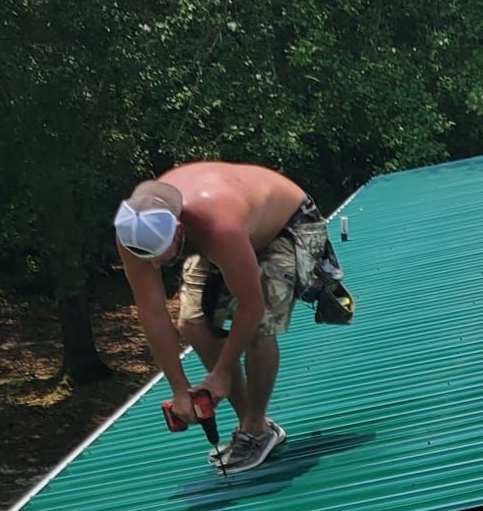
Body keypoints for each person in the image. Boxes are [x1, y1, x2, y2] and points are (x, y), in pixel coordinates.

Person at [114, 162, 329, 473]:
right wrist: (178, 387)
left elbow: (251, 307)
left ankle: (254, 429)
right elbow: (152, 312)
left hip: (287, 224)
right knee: (192, 323)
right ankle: (254, 427)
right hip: (229, 234)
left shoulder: (218, 225)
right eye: (148, 257)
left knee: (259, 329)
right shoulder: (133, 230)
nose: (157, 264)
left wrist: (222, 372)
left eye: (162, 252)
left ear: (177, 229)